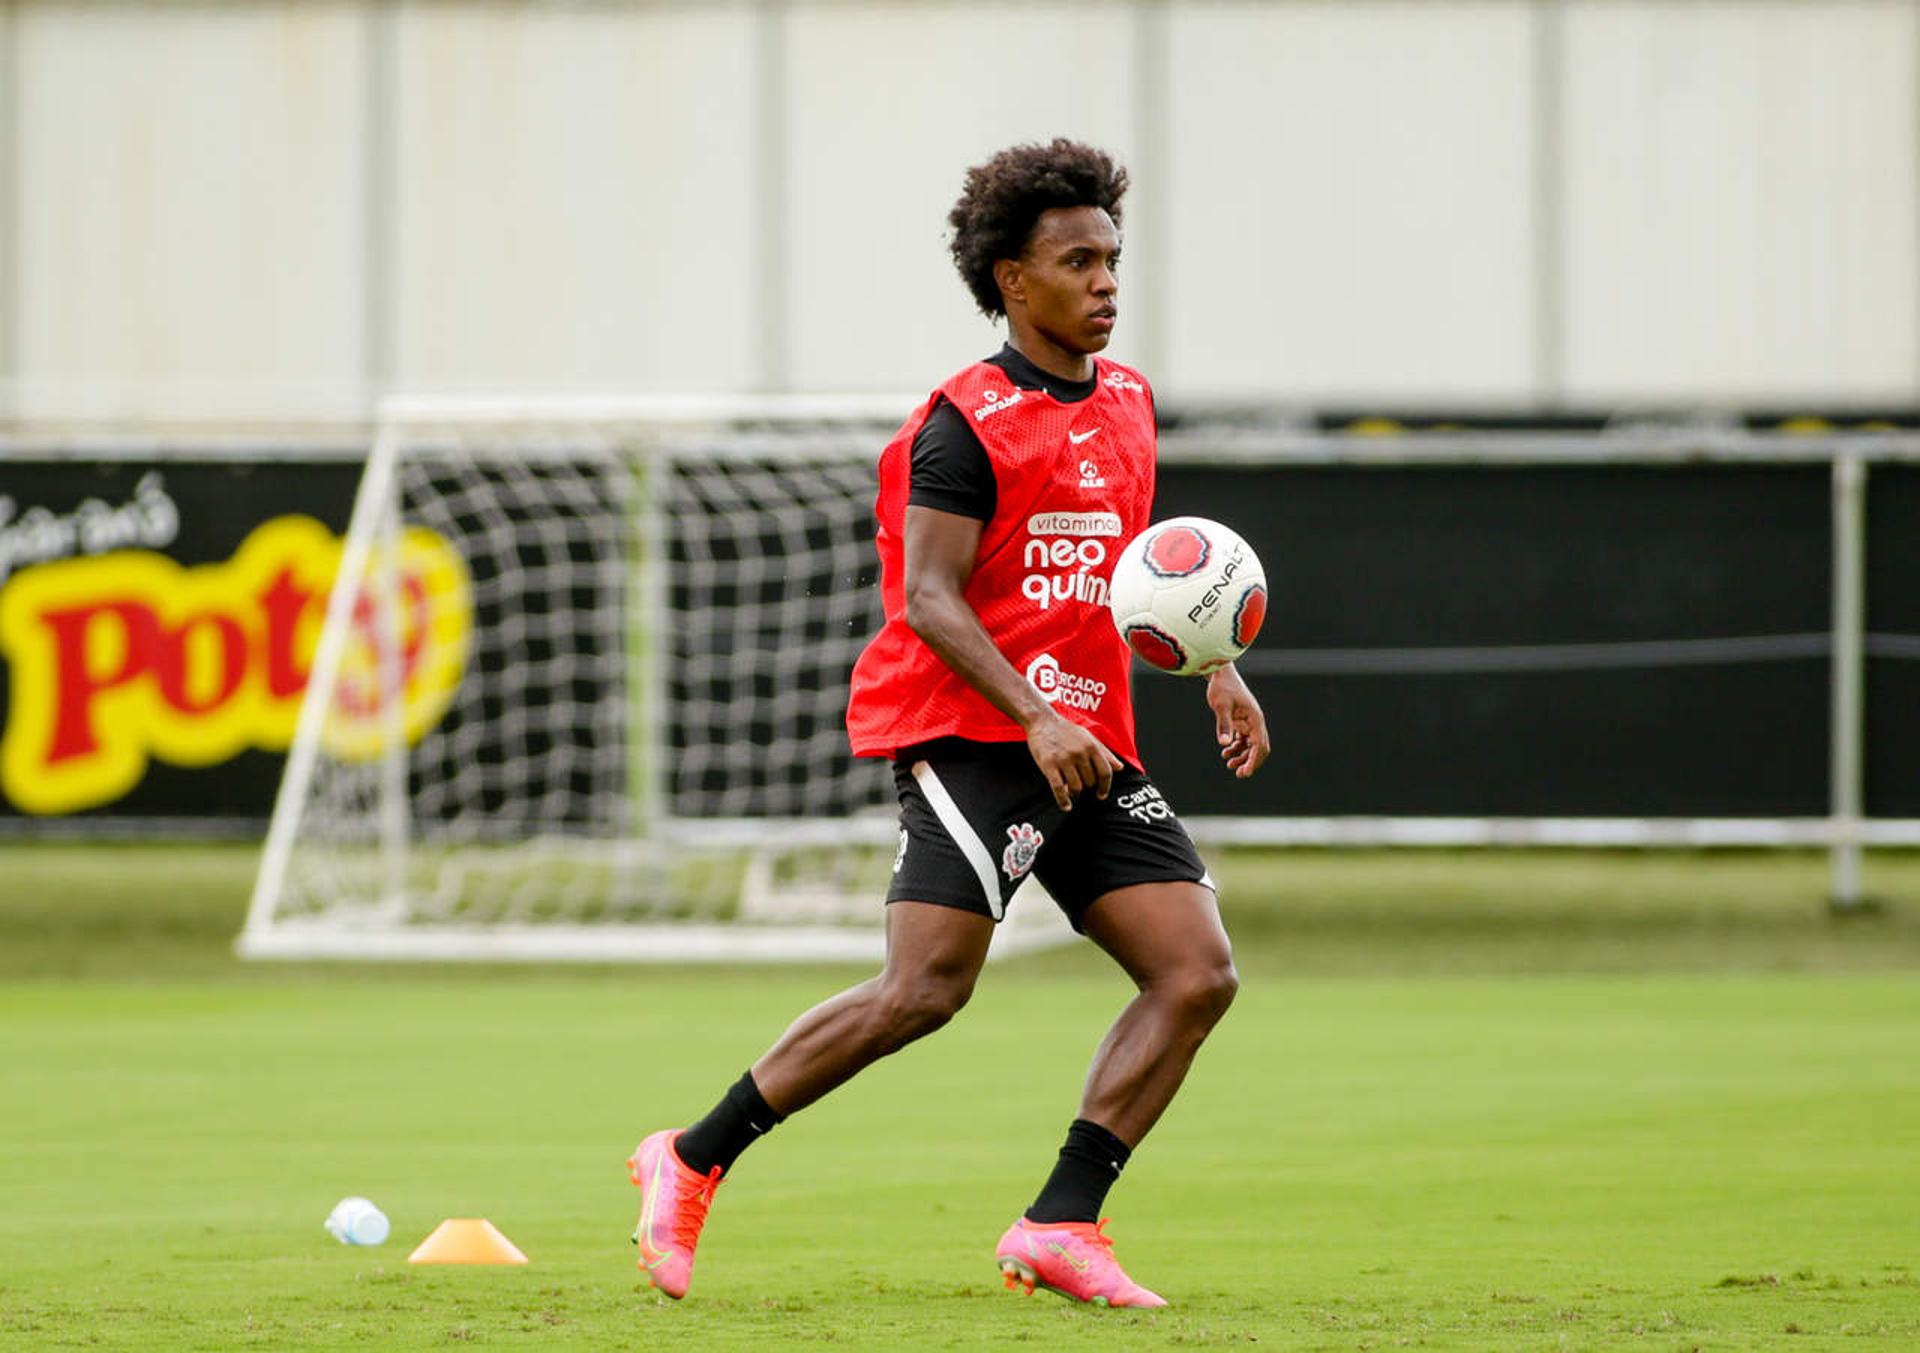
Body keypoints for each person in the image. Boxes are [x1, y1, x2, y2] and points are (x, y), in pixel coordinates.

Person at [627, 138, 1269, 1310]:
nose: (1107, 282)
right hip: (971, 734)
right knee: (924, 990)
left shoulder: (1126, 402)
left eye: (1114, 259)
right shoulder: (964, 424)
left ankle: (1063, 1220)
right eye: (1078, 261)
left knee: (1196, 973)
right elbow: (927, 597)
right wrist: (1032, 717)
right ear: (1012, 281)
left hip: (1089, 744)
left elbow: (1128, 574)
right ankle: (691, 1155)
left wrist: (1216, 663)